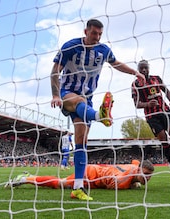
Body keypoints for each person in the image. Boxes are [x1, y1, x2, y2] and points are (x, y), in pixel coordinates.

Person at [50, 19, 145, 201]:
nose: (97, 37)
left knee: (81, 142)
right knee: (78, 100)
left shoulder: (103, 50)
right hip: (67, 93)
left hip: (88, 99)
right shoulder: (71, 46)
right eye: (94, 33)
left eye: (100, 34)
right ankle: (99, 116)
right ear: (86, 31)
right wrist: (55, 95)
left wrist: (134, 72)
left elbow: (116, 63)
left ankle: (78, 188)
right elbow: (55, 71)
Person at [131, 60, 170, 186]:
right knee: (164, 140)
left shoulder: (156, 79)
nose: (143, 70)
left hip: (165, 111)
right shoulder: (135, 84)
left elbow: (167, 91)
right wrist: (148, 104)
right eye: (141, 68)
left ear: (148, 69)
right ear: (138, 70)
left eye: (145, 68)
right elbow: (136, 104)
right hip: (151, 116)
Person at [4, 160, 154, 190]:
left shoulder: (135, 166)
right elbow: (112, 186)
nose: (148, 178)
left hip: (95, 172)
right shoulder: (122, 181)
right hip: (90, 175)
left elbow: (136, 161)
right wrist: (132, 180)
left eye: (150, 176)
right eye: (146, 174)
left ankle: (29, 175)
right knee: (61, 184)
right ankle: (25, 179)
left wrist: (137, 179)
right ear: (138, 170)